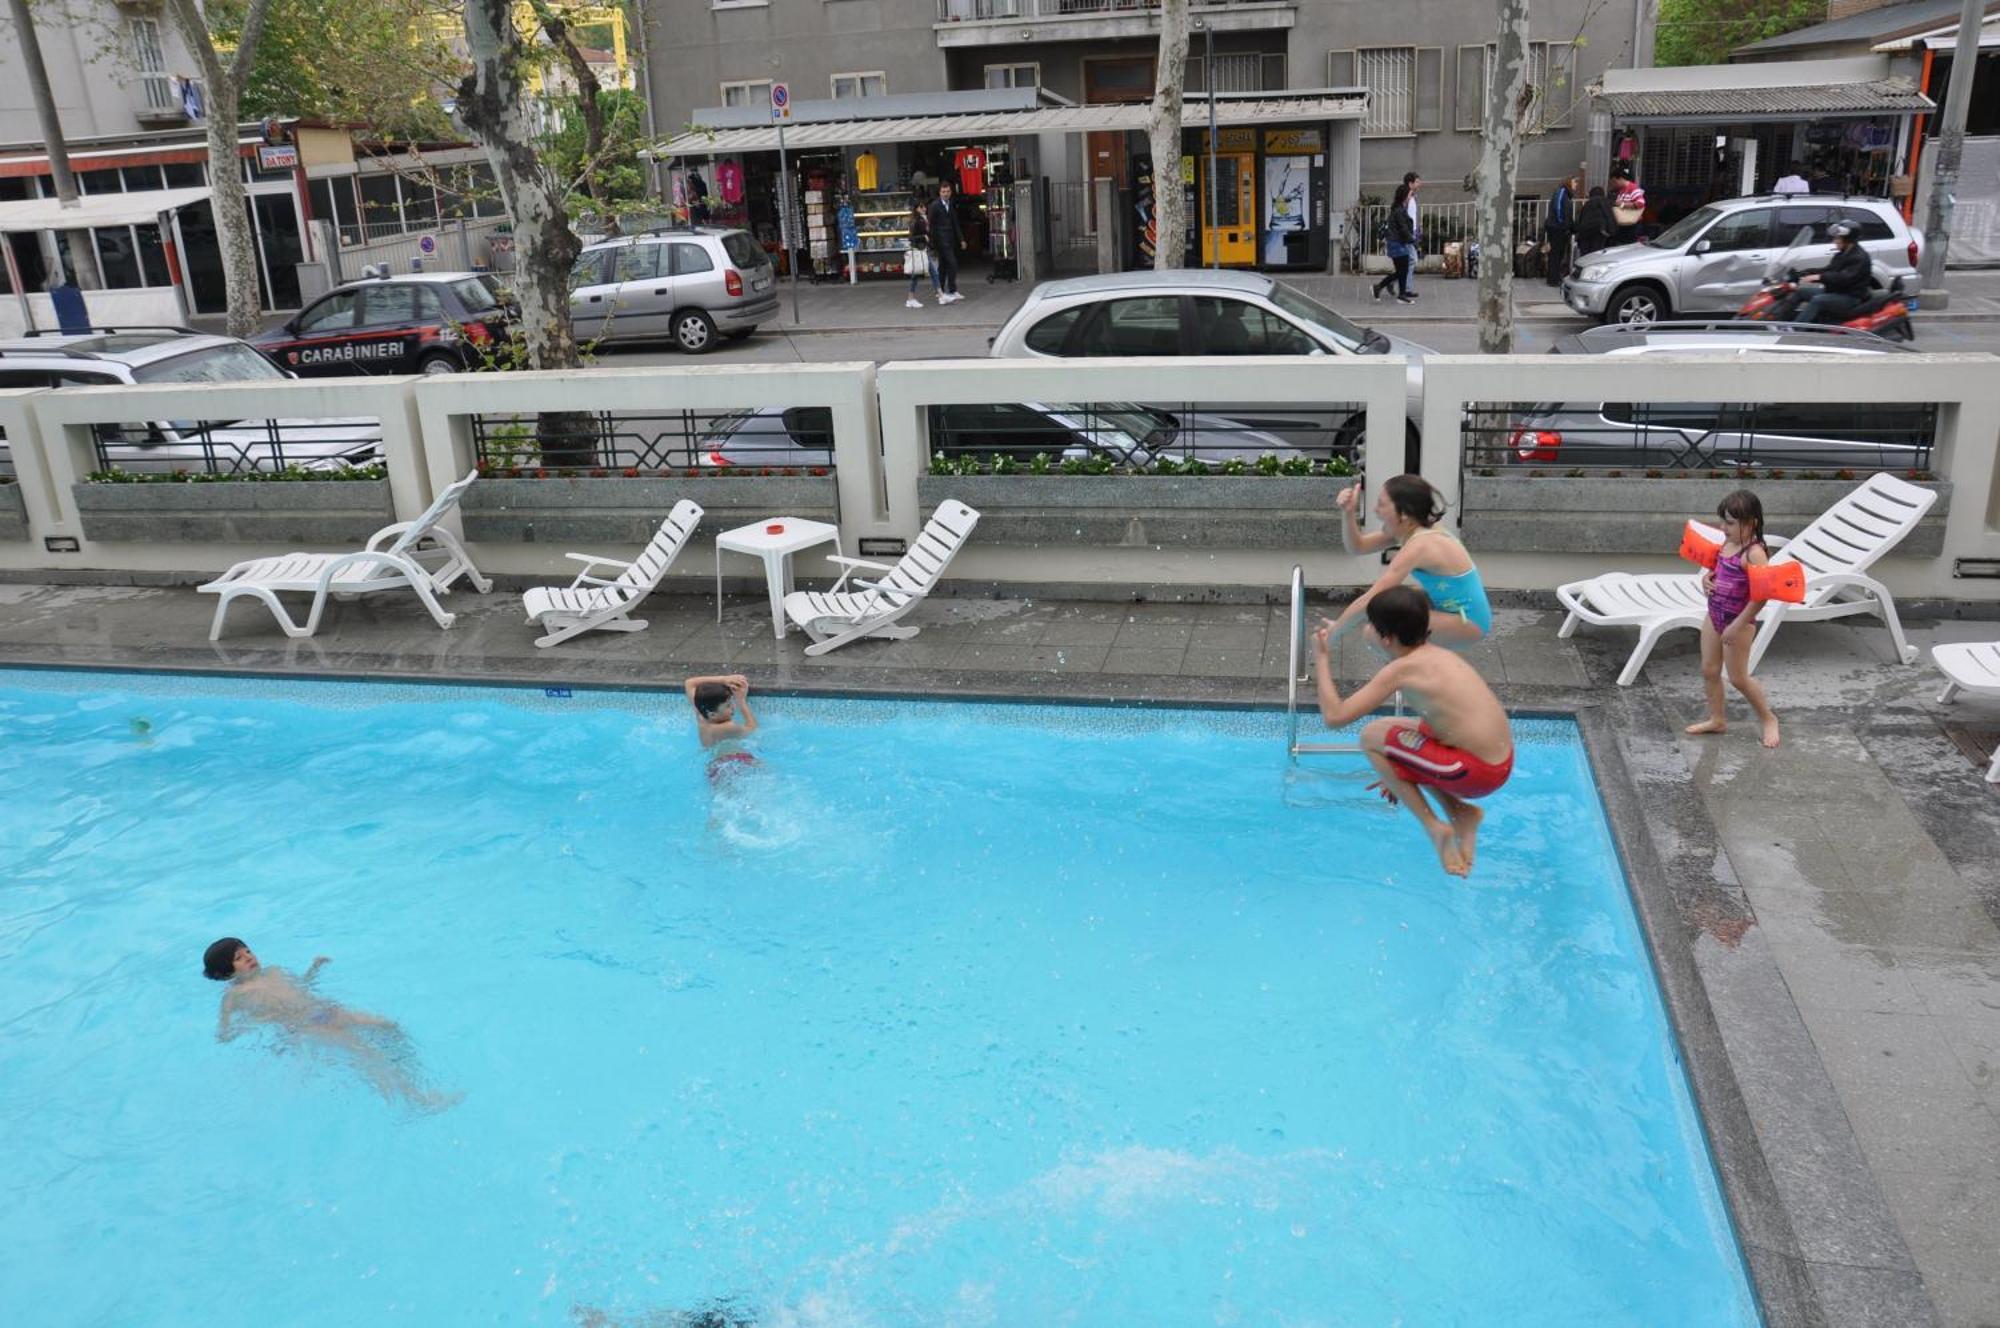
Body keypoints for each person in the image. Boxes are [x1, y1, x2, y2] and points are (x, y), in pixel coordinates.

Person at [1311, 587, 1514, 877]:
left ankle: (1435, 827)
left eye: (1370, 625)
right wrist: (1401, 770)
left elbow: (1335, 717)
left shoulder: (1403, 669)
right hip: (1496, 760)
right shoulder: (1437, 655)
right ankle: (1461, 813)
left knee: (1370, 737)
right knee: (1386, 732)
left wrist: (1321, 658)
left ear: (1387, 637)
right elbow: (1435, 728)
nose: (1366, 630)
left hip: (1477, 772)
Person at [203, 938, 452, 1109]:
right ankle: (418, 1099)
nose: (248, 956)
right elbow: (224, 1034)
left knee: (388, 1026)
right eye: (238, 957)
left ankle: (406, 1066)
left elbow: (302, 986)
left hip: (326, 1011)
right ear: (226, 971)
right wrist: (257, 1021)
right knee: (367, 1055)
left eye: (247, 950)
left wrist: (314, 969)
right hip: (308, 1028)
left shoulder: (274, 971)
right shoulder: (234, 997)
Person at [1325, 475, 1493, 649]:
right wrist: (1348, 513)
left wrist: (1333, 632)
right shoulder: (1411, 529)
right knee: (1392, 613)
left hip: (1469, 622)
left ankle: (1407, 673)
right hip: (1450, 610)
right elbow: (1358, 547)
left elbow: (1372, 598)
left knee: (1377, 633)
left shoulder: (1421, 544)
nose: (1375, 510)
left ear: (1404, 513)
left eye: (1382, 504)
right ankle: (1413, 670)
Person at [1684, 491, 1782, 749]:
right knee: (1709, 670)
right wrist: (1707, 578)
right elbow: (1717, 569)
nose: (1722, 528)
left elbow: (1762, 597)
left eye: (1730, 523)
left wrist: (1737, 625)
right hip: (1714, 614)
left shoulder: (1754, 554)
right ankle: (1717, 720)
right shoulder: (1727, 545)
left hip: (1738, 623)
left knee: (1738, 678)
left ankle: (1769, 719)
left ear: (1752, 523)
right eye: (1722, 521)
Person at [1796, 219, 1873, 325]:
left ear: (1848, 239)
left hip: (1851, 297)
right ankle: (1782, 320)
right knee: (1800, 292)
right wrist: (1804, 273)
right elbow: (1828, 270)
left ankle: (1795, 329)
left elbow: (1844, 278)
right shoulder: (1842, 254)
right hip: (1837, 292)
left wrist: (1820, 277)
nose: (1835, 241)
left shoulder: (1859, 257)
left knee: (1818, 300)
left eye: (1838, 238)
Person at [685, 673, 759, 779]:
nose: (733, 707)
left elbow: (689, 683)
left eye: (731, 702)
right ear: (713, 714)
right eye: (728, 706)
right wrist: (741, 702)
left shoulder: (701, 717)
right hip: (736, 763)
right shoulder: (727, 728)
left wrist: (723, 680)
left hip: (714, 767)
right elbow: (753, 728)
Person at [1372, 172, 1421, 304]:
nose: (1411, 197)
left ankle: (1380, 287)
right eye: (1409, 195)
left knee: (1401, 271)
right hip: (1397, 244)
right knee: (1403, 270)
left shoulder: (1399, 209)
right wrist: (1413, 240)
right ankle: (1402, 295)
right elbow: (1403, 229)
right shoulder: (1399, 211)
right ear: (1404, 197)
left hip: (1397, 243)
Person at [927, 181, 964, 304]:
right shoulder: (935, 205)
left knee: (942, 267)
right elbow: (931, 225)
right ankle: (952, 289)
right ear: (940, 193)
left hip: (950, 239)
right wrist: (932, 242)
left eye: (948, 191)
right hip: (940, 240)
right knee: (953, 263)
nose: (946, 194)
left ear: (951, 192)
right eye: (943, 192)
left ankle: (940, 291)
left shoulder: (951, 204)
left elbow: (955, 223)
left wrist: (961, 239)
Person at [1543, 175, 1576, 286]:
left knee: (1558, 253)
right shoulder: (1562, 192)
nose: (1576, 185)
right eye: (1574, 182)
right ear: (1569, 183)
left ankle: (1554, 277)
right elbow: (1558, 208)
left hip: (1557, 227)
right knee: (1556, 254)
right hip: (1557, 228)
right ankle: (1553, 279)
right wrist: (1563, 224)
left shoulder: (1564, 193)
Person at [904, 198, 936, 310]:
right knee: (917, 275)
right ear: (916, 209)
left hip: (923, 250)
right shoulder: (916, 221)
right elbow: (911, 237)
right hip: (918, 251)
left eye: (924, 206)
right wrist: (924, 237)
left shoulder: (923, 219)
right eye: (921, 207)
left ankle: (941, 294)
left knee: (932, 272)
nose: (924, 209)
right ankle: (910, 299)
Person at [1574, 184, 1614, 257]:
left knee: (1585, 256)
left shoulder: (1587, 204)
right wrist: (1612, 232)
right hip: (1599, 232)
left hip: (1584, 234)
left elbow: (1579, 220)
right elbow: (1609, 217)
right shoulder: (1604, 201)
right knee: (1596, 255)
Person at [1609, 168, 1645, 245]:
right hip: (1624, 225)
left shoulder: (1633, 188)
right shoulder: (1621, 190)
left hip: (1632, 226)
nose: (1614, 184)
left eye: (1614, 182)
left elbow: (1641, 203)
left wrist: (1622, 204)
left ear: (1621, 179)